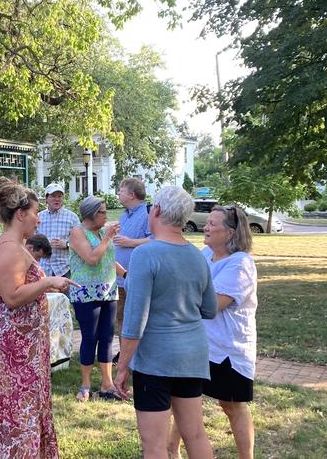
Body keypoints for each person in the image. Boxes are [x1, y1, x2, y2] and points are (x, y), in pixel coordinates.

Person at [0, 178, 76, 459]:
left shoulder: (17, 246)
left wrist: (49, 284)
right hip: (11, 348)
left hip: (21, 346)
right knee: (13, 408)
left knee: (22, 406)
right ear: (20, 214)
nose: (38, 220)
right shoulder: (9, 248)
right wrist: (48, 282)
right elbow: (12, 296)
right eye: (34, 213)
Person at [114, 186, 217, 459]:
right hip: (192, 356)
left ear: (156, 210)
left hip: (156, 360)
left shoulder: (145, 255)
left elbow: (134, 321)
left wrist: (122, 367)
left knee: (155, 446)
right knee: (195, 433)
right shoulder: (198, 256)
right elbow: (209, 309)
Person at [168, 205, 258, 459]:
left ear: (230, 232)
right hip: (200, 344)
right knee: (186, 399)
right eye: (206, 222)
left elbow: (213, 306)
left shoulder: (240, 264)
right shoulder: (206, 253)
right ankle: (171, 448)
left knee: (231, 405)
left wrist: (181, 296)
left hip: (228, 349)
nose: (205, 227)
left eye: (212, 224)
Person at [68, 196, 127, 402]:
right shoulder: (77, 232)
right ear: (92, 214)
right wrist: (107, 238)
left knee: (107, 337)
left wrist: (126, 274)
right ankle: (85, 385)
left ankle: (107, 384)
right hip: (86, 294)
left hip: (108, 292)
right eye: (103, 212)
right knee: (90, 338)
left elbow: (109, 259)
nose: (106, 215)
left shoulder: (103, 232)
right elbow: (92, 259)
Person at [112, 178, 152, 364]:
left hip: (136, 277)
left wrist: (131, 243)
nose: (118, 193)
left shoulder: (147, 214)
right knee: (121, 319)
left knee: (137, 320)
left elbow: (156, 239)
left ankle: (139, 358)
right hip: (120, 278)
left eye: (121, 190)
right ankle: (125, 357)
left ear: (131, 195)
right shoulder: (124, 214)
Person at [37, 183, 80, 277]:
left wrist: (66, 244)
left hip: (65, 269)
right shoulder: (38, 217)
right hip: (43, 269)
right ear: (46, 198)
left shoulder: (72, 218)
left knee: (65, 292)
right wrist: (43, 244)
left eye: (60, 196)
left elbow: (81, 243)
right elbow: (30, 241)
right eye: (53, 196)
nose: (57, 199)